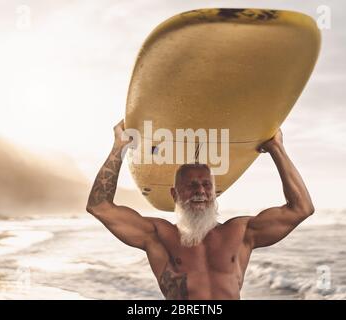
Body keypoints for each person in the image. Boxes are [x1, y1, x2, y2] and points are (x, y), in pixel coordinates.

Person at [86, 119, 314, 300]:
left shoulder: (241, 232)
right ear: (174, 194)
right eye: (191, 185)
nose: (200, 191)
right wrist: (119, 146)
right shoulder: (159, 235)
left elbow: (301, 209)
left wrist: (276, 148)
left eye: (207, 185)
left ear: (214, 192)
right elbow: (100, 207)